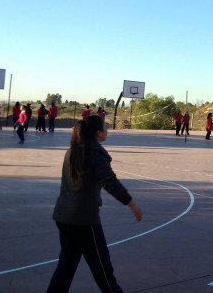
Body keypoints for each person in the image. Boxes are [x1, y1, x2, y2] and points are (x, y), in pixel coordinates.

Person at [47, 115, 142, 292]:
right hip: (83, 221)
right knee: (103, 270)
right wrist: (132, 204)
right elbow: (110, 182)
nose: (107, 130)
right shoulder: (95, 154)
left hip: (63, 216)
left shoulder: (73, 150)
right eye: (105, 127)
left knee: (66, 266)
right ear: (98, 133)